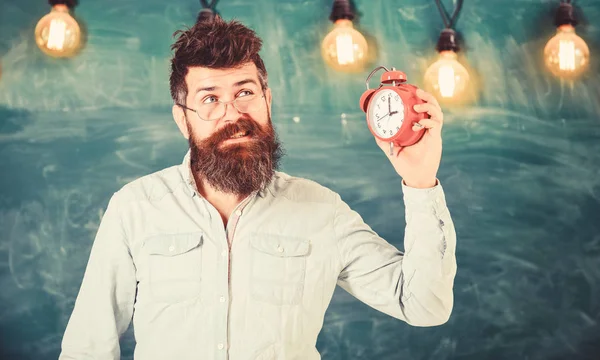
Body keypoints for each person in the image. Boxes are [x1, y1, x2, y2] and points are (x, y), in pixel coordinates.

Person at [59, 16, 457, 360]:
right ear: (183, 119)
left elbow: (424, 305)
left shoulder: (322, 211)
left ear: (267, 99)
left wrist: (421, 181)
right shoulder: (135, 208)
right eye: (210, 98)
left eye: (245, 92)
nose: (233, 113)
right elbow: (87, 349)